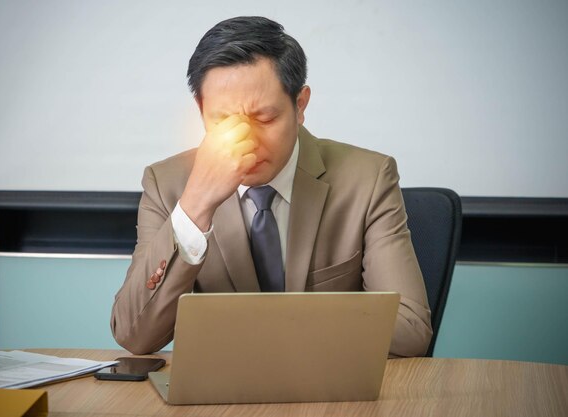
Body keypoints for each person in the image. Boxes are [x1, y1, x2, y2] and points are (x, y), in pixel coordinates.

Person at [111, 16, 432, 357]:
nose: (245, 141)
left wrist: (275, 323)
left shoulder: (368, 178)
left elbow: (410, 331)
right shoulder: (166, 184)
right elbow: (135, 336)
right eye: (222, 121)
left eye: (264, 119)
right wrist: (194, 208)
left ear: (300, 105)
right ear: (200, 110)